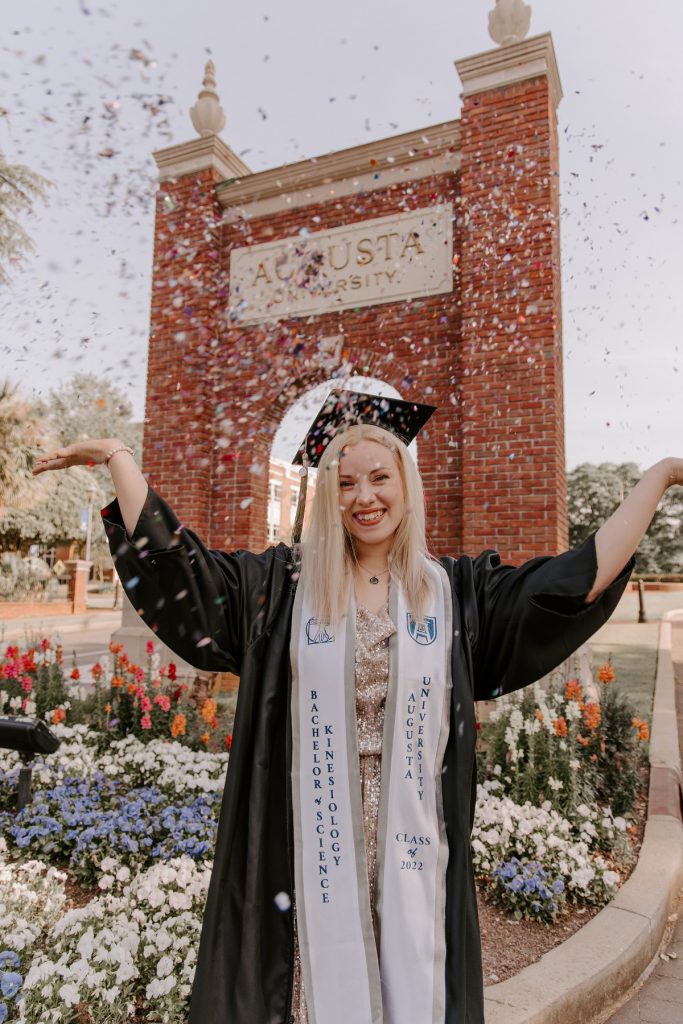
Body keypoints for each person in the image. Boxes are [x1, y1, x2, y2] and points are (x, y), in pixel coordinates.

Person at [32, 393, 683, 1024]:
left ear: (406, 482)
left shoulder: (454, 595)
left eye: (378, 477)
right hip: (304, 840)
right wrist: (120, 456)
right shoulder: (281, 590)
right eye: (345, 484)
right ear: (328, 497)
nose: (363, 497)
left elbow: (576, 580)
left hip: (411, 846)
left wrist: (660, 475)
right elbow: (183, 569)